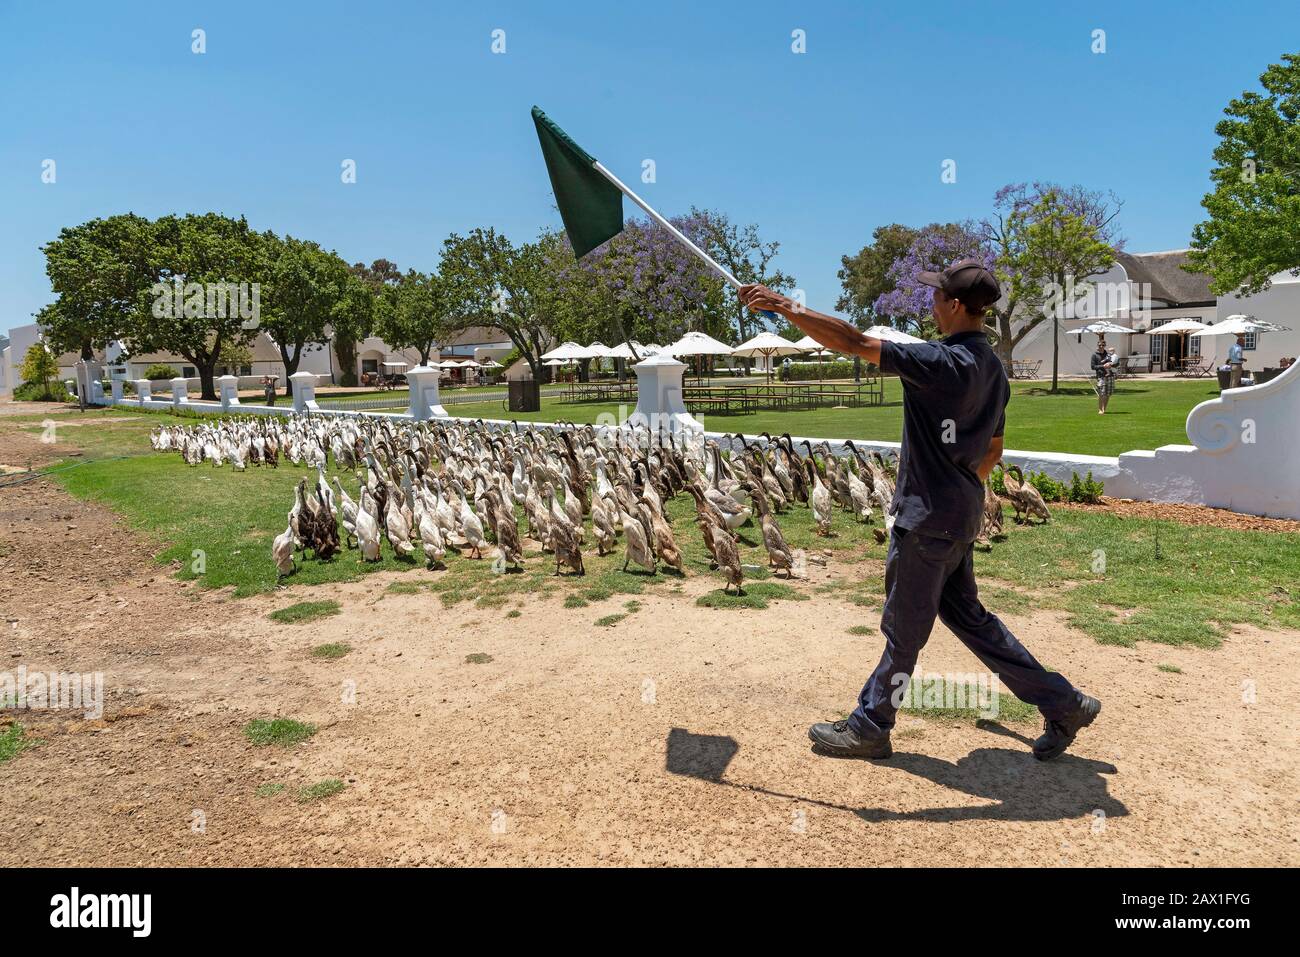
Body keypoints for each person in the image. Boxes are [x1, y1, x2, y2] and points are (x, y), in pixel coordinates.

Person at [740, 259, 1100, 762]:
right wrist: (956, 487)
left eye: (935, 297)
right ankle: (1065, 703)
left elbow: (853, 342)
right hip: (961, 515)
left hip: (927, 519)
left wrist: (782, 304)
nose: (930, 304)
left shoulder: (937, 363)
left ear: (954, 305)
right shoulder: (994, 369)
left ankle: (871, 725)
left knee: (903, 632)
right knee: (971, 620)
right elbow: (992, 452)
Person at [1091, 340, 1115, 414]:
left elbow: (1114, 363)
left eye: (1103, 345)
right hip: (1101, 376)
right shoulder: (1094, 355)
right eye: (1100, 345)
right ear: (1097, 346)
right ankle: (1100, 409)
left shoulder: (1108, 354)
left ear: (1105, 346)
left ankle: (1104, 409)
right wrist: (1103, 366)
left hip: (1110, 376)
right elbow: (1093, 367)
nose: (1101, 346)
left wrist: (1111, 364)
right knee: (1101, 393)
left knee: (1108, 394)